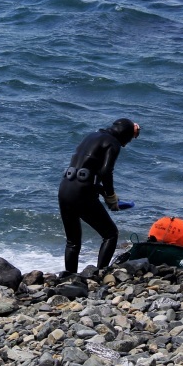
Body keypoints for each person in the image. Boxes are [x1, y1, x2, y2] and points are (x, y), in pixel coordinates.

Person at [58, 117, 141, 274]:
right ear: (124, 135)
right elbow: (105, 171)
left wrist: (102, 192)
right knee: (110, 234)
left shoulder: (92, 136)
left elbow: (85, 171)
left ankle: (69, 278)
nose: (128, 142)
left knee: (72, 242)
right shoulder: (113, 143)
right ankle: (100, 274)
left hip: (65, 188)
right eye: (130, 138)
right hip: (82, 191)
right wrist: (110, 197)